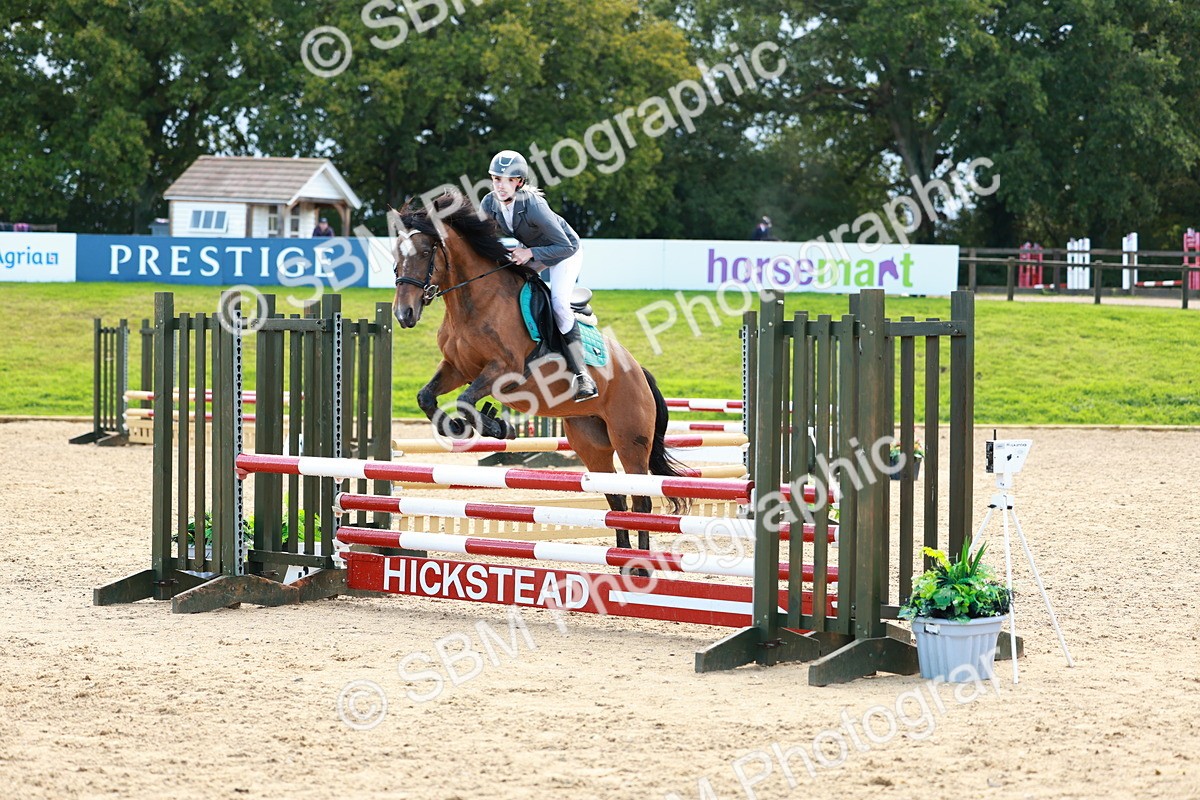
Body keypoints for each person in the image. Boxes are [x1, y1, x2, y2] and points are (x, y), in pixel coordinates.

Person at [481, 149, 597, 402]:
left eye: (507, 180)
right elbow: (483, 240)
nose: (500, 185)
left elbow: (567, 246)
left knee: (558, 305)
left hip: (566, 252)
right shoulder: (489, 203)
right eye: (496, 179)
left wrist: (529, 252)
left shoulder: (533, 206)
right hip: (537, 253)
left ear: (519, 182)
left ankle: (582, 374)